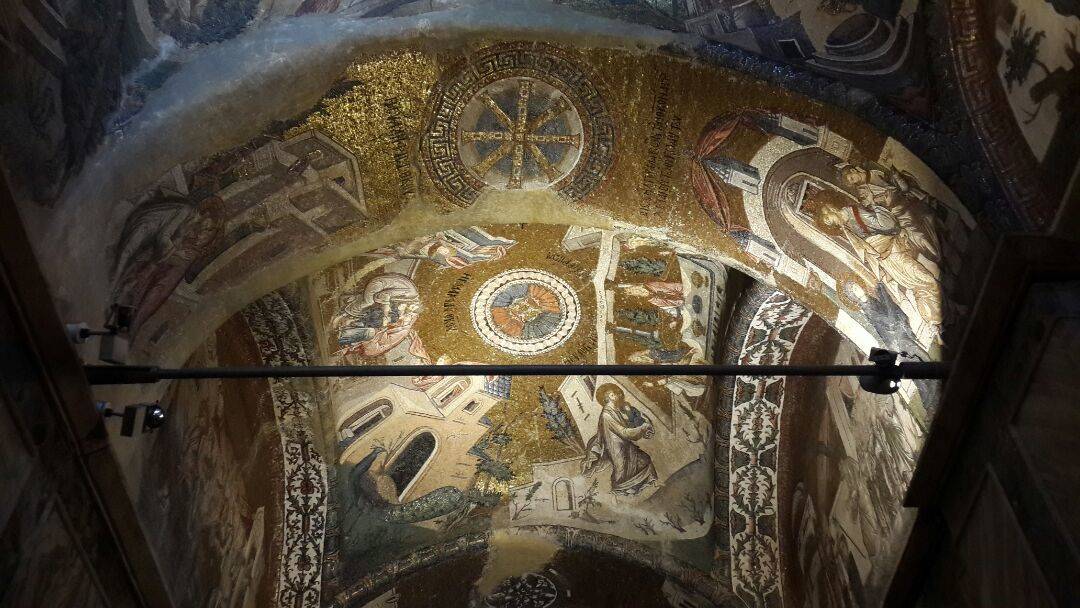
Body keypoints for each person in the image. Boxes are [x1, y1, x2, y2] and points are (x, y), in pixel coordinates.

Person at [818, 202, 942, 328]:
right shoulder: (846, 226)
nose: (834, 224)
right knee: (917, 285)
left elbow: (886, 225)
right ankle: (933, 321)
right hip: (884, 258)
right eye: (831, 224)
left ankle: (936, 318)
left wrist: (884, 246)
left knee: (926, 280)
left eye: (830, 220)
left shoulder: (854, 213)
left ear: (832, 211)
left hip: (891, 251)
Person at [582, 384, 658, 496]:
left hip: (624, 444)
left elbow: (627, 427)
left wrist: (639, 423)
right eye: (615, 394)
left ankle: (639, 489)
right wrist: (642, 428)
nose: (618, 395)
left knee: (643, 460)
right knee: (622, 474)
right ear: (610, 396)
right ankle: (618, 494)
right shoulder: (606, 415)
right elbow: (623, 432)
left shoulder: (615, 411)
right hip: (616, 448)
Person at [332, 273, 423, 358]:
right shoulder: (408, 295)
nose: (405, 314)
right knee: (369, 304)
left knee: (370, 326)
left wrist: (384, 322)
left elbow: (384, 337)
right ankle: (342, 315)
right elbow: (381, 295)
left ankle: (344, 334)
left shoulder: (403, 319)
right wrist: (385, 314)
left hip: (373, 342)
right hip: (377, 285)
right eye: (409, 313)